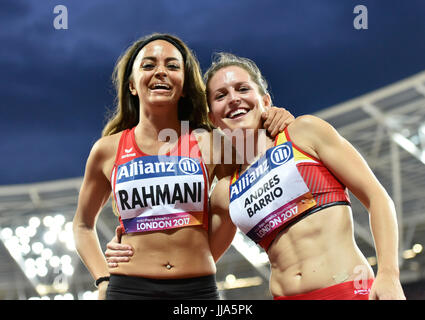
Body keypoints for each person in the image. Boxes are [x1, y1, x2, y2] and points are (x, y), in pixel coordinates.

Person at [106, 52, 406, 300]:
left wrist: (390, 274)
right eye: (221, 95)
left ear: (265, 100)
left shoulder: (304, 133)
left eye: (242, 89)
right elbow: (191, 252)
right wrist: (133, 242)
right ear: (212, 118)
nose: (233, 99)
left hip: (349, 291)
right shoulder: (226, 190)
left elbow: (378, 199)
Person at [73, 34, 293, 300]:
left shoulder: (211, 143)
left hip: (197, 290)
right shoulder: (107, 150)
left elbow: (242, 192)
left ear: (186, 86)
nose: (161, 72)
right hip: (127, 289)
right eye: (149, 65)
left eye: (173, 66)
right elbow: (83, 225)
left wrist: (273, 116)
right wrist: (103, 279)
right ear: (132, 85)